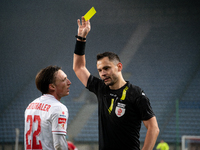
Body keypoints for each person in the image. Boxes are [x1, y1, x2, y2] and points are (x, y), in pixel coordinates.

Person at [73, 16, 160, 150]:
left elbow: (153, 128)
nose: (102, 73)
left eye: (106, 68)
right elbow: (79, 67)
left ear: (119, 67)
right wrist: (81, 38)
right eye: (100, 70)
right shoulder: (101, 88)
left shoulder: (136, 93)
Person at [24, 65, 71, 150]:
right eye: (64, 80)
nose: (69, 82)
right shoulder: (58, 108)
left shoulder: (30, 106)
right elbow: (59, 145)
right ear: (52, 86)